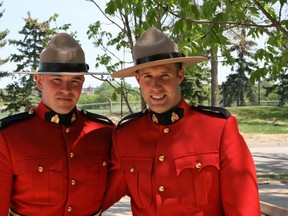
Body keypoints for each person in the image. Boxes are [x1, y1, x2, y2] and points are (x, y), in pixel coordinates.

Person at [102, 27, 260, 215]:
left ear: (180, 76)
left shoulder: (218, 129)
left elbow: (243, 208)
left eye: (164, 75)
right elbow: (97, 197)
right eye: (147, 77)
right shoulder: (125, 136)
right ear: (138, 80)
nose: (156, 86)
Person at [0, 33, 115, 216]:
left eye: (75, 80)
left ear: (83, 82)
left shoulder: (104, 132)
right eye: (57, 79)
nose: (66, 89)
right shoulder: (9, 137)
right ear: (39, 81)